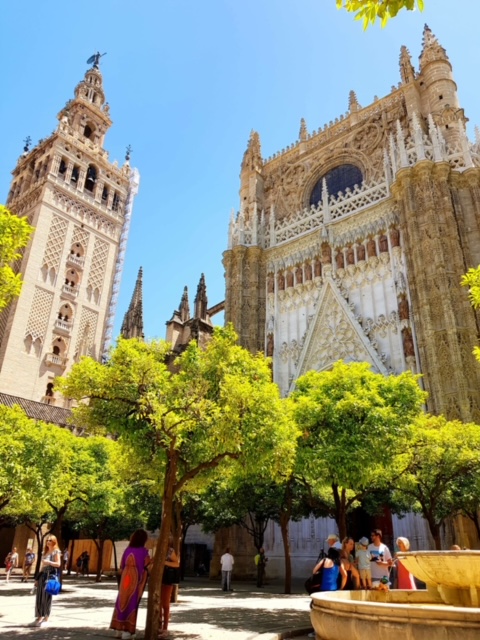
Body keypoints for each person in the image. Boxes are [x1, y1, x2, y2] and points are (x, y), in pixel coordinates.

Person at [110, 529, 151, 640]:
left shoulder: (127, 550)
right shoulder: (144, 551)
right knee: (133, 603)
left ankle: (118, 630)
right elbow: (147, 565)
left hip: (125, 579)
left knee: (121, 602)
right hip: (137, 580)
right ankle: (127, 631)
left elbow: (122, 565)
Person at [32, 535, 61, 627]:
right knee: (39, 596)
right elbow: (42, 567)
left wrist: (48, 562)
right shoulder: (45, 552)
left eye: (50, 540)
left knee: (47, 597)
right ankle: (39, 616)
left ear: (54, 542)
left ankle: (46, 617)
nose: (48, 542)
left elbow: (58, 564)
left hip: (50, 576)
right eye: (47, 540)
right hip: (42, 575)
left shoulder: (56, 552)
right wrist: (37, 579)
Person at [159, 537, 180, 638]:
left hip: (167, 580)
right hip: (158, 580)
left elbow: (176, 564)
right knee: (158, 603)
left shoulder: (170, 551)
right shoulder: (159, 550)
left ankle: (165, 628)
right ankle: (159, 626)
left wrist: (164, 562)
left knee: (165, 605)